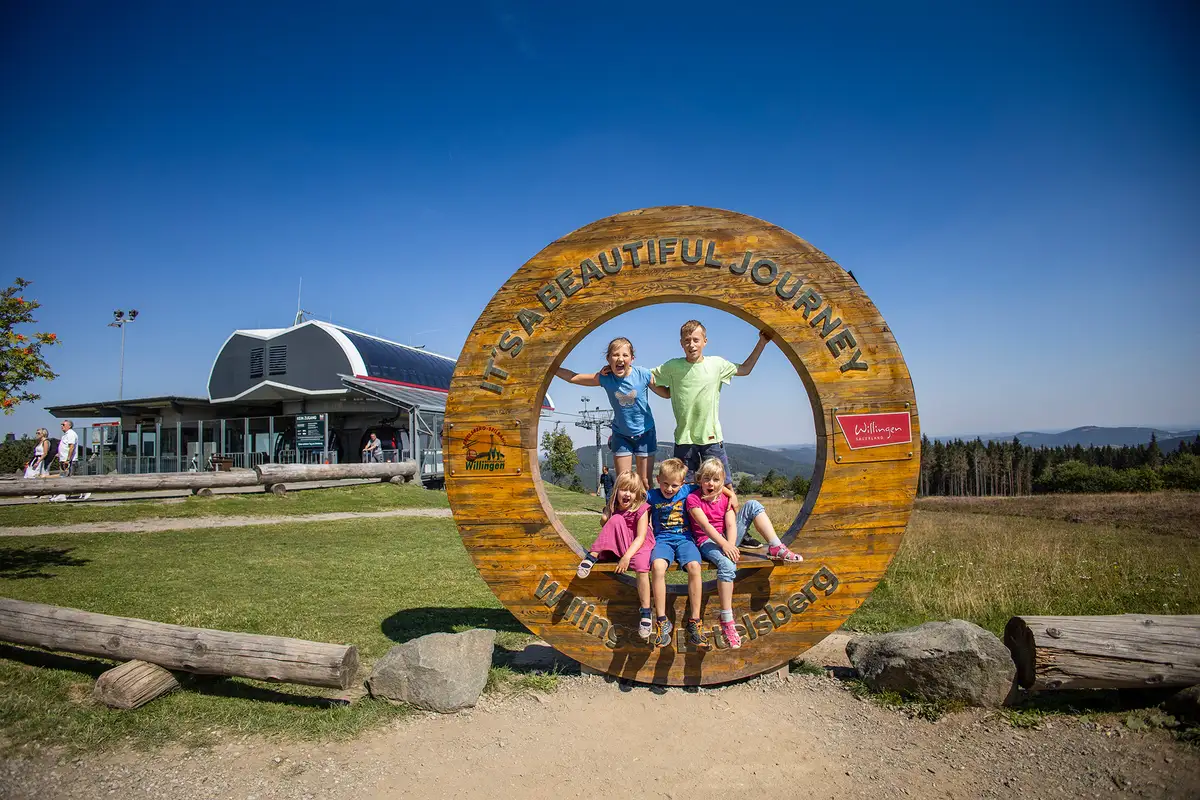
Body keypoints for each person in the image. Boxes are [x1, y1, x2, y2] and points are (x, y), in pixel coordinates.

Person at [651, 319, 771, 545]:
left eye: (696, 340)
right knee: (685, 489)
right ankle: (686, 533)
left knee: (724, 488)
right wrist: (665, 392)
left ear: (705, 341)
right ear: (681, 343)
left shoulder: (717, 364)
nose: (692, 344)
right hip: (684, 438)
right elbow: (648, 378)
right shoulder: (672, 367)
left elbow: (745, 369)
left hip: (711, 437)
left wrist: (762, 343)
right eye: (687, 341)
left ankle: (738, 534)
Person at [686, 458, 804, 650]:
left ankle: (776, 546)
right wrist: (725, 546)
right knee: (727, 566)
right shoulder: (694, 499)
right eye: (706, 479)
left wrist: (731, 545)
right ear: (700, 480)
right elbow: (705, 527)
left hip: (727, 538)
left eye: (716, 479)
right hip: (706, 541)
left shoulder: (725, 499)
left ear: (723, 481)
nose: (711, 483)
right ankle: (727, 619)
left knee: (753, 505)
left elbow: (731, 524)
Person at [555, 337, 669, 502]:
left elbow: (665, 393)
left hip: (645, 433)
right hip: (621, 435)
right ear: (608, 359)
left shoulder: (643, 374)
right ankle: (623, 518)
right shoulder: (606, 378)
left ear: (632, 359)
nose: (620, 359)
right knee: (624, 483)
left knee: (645, 482)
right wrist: (552, 369)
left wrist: (682, 385)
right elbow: (574, 377)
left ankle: (647, 519)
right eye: (615, 355)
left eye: (625, 355)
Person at [575, 470, 655, 642]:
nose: (627, 494)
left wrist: (626, 557)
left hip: (638, 545)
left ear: (637, 494)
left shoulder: (642, 508)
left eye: (632, 491)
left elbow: (641, 537)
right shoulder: (614, 507)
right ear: (617, 490)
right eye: (624, 489)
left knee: (642, 566)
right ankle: (592, 556)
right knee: (616, 520)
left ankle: (646, 611)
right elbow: (606, 526)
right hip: (621, 542)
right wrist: (606, 518)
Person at [646, 458, 707, 649]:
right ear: (658, 479)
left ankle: (695, 621)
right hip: (662, 540)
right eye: (665, 484)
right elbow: (631, 498)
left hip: (685, 539)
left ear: (682, 484)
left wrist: (732, 494)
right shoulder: (651, 496)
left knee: (695, 567)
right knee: (657, 567)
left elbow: (712, 487)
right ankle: (662, 621)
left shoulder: (687, 491)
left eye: (674, 485)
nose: (669, 489)